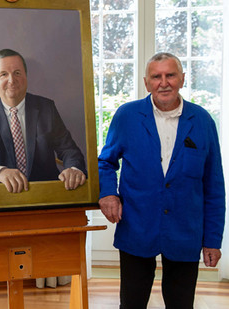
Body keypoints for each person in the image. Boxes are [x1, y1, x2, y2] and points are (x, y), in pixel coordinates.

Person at [98, 52, 225, 308]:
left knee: (181, 304)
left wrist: (212, 239)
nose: (163, 82)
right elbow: (106, 162)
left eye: (170, 75)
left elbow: (214, 185)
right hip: (137, 225)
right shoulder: (127, 116)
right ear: (147, 83)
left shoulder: (202, 121)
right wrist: (108, 193)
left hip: (185, 230)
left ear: (182, 79)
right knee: (131, 303)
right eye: (156, 76)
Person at [0, 48, 86, 193]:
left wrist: (73, 169)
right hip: (0, 199)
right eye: (3, 74)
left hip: (46, 196)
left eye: (17, 73)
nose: (11, 80)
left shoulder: (46, 108)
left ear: (26, 76)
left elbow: (69, 150)